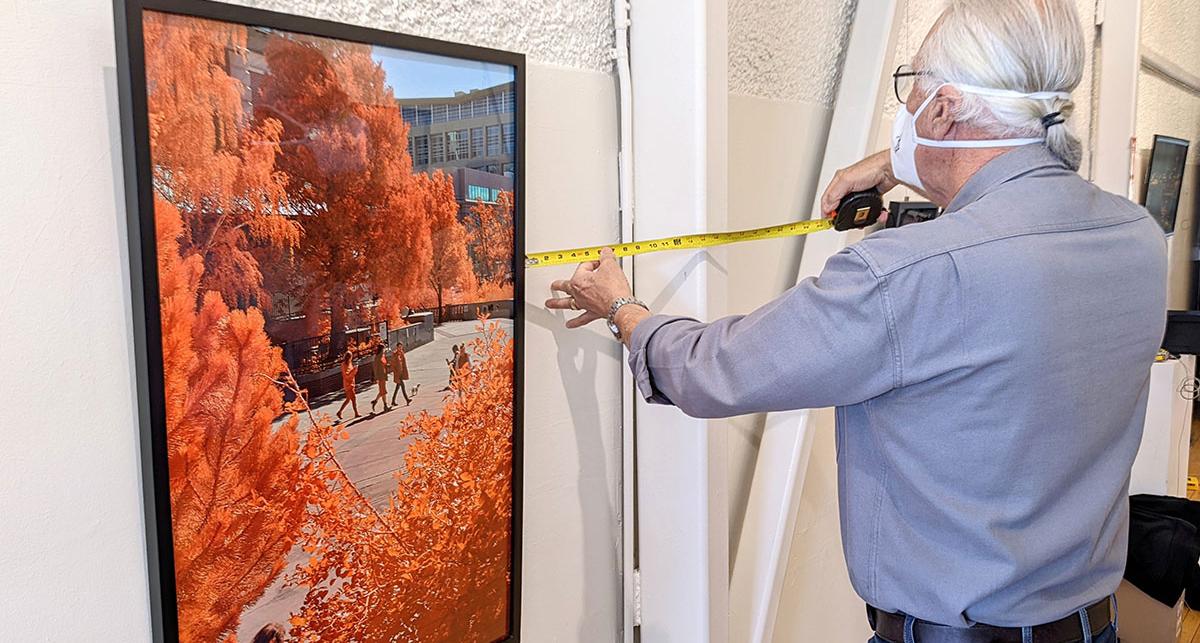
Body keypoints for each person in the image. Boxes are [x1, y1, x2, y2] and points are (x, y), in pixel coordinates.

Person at [547, 2, 1165, 642]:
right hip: (1090, 627)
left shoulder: (906, 275)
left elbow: (716, 370)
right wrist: (901, 164)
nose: (907, 108)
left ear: (945, 109)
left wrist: (622, 308)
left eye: (913, 87)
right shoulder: (1137, 238)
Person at [335, 351, 359, 420]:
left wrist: (354, 370)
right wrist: (354, 370)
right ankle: (356, 413)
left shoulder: (349, 363)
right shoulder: (344, 365)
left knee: (348, 399)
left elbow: (350, 374)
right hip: (349, 384)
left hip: (350, 382)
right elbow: (347, 375)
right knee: (353, 399)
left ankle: (339, 412)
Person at [369, 343, 389, 413]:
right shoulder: (377, 357)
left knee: (382, 391)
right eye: (384, 348)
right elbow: (375, 368)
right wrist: (376, 378)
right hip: (380, 376)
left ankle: (375, 401)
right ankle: (385, 405)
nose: (385, 350)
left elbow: (384, 364)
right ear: (381, 349)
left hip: (383, 375)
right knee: (383, 391)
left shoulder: (382, 356)